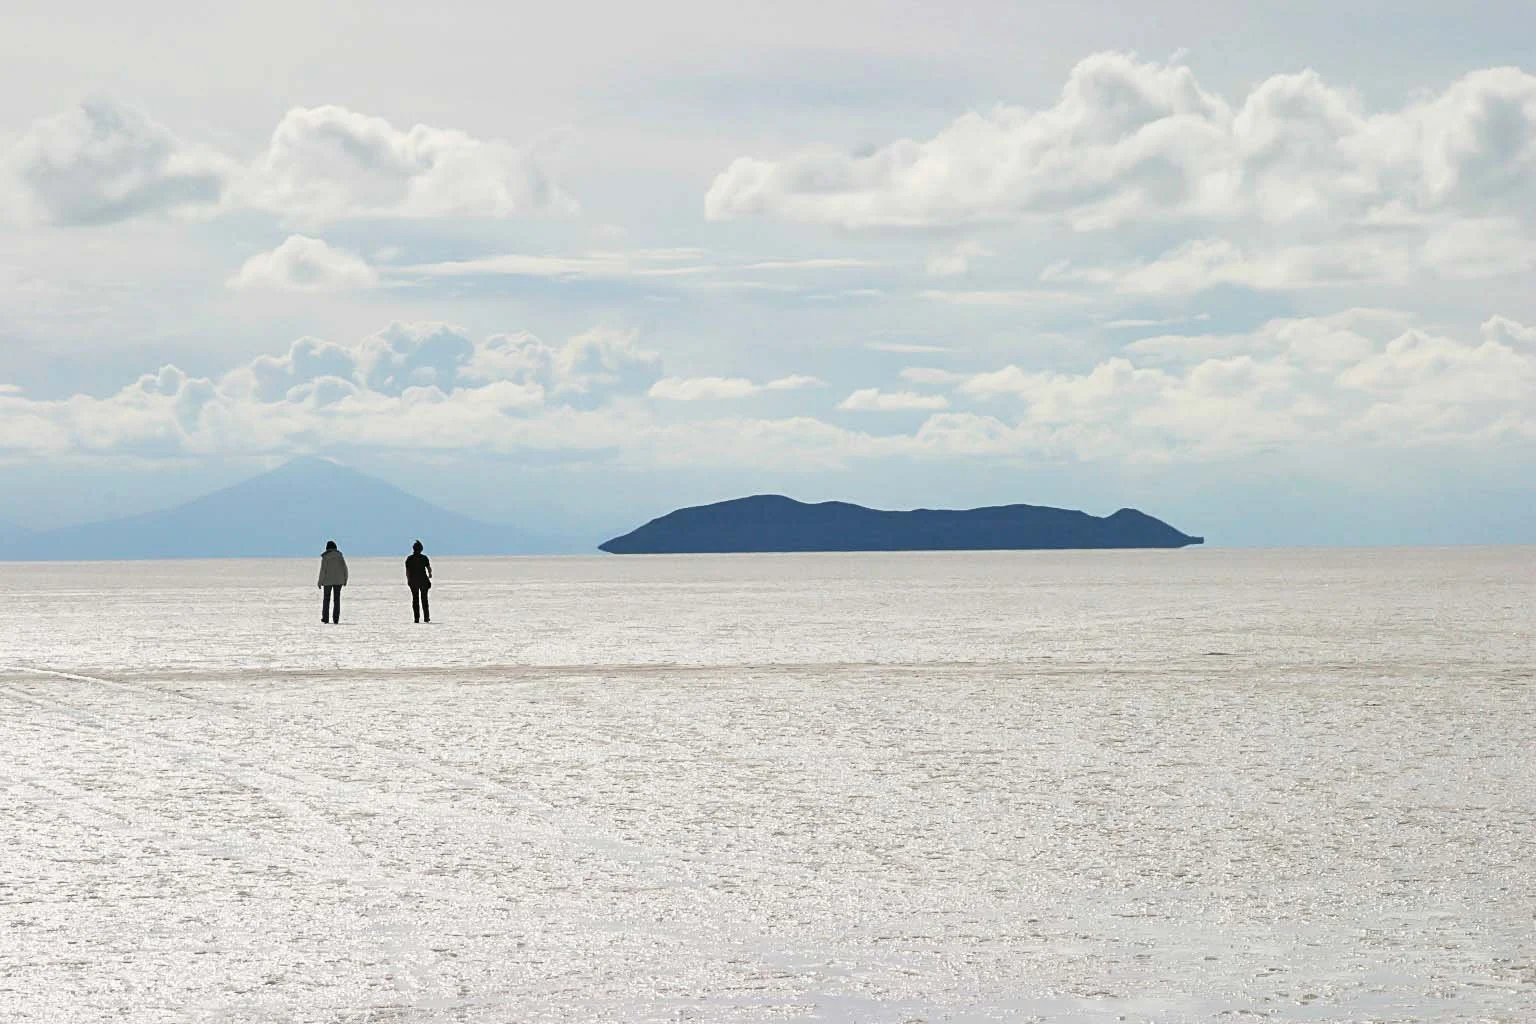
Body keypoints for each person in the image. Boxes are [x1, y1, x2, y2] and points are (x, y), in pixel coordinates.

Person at [317, 540, 348, 624]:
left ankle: (325, 618)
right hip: (339, 581)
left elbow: (323, 570)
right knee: (336, 600)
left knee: (326, 600)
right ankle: (336, 618)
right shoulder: (339, 555)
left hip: (327, 581)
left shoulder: (325, 557)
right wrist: (345, 579)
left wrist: (320, 582)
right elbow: (344, 568)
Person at [405, 540, 432, 623]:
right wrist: (430, 574)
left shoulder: (409, 559)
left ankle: (416, 618)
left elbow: (407, 571)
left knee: (415, 599)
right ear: (421, 549)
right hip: (423, 580)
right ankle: (426, 617)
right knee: (424, 599)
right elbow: (428, 568)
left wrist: (408, 580)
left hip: (413, 581)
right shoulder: (424, 558)